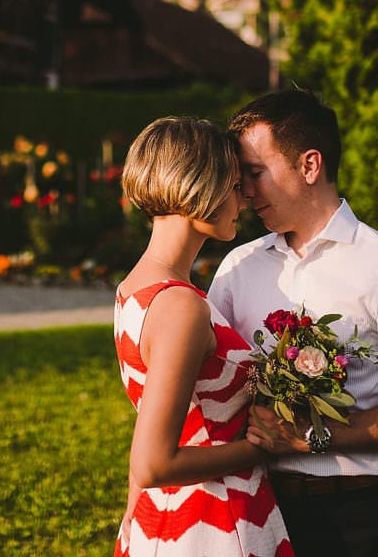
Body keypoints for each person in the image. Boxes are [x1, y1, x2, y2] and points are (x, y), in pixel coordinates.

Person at [208, 89, 378, 557]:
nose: (245, 192)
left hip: (361, 519)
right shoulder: (238, 269)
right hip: (261, 512)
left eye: (255, 173)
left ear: (310, 165)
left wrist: (310, 438)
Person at [112, 116, 295, 557]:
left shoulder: (134, 289)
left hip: (166, 517)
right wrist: (262, 447)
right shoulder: (181, 307)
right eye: (234, 186)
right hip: (212, 524)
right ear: (200, 188)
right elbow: (154, 462)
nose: (245, 200)